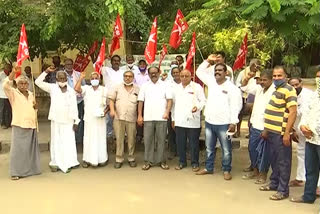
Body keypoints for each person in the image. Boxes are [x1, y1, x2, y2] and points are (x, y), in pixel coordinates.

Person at [195, 55, 242, 180]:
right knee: (209, 147)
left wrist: (233, 122)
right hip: (210, 122)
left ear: (226, 73)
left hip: (224, 123)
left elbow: (236, 106)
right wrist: (208, 61)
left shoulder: (232, 88)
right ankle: (209, 168)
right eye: (216, 70)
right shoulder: (211, 82)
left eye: (220, 70)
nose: (217, 72)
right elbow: (199, 72)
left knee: (226, 149)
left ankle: (226, 170)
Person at [259, 66, 297, 201]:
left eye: (279, 76)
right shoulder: (277, 90)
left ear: (286, 76)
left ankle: (283, 190)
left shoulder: (289, 90)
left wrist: (287, 133)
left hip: (281, 133)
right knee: (274, 160)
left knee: (283, 162)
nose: (276, 78)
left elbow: (293, 112)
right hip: (272, 132)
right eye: (274, 76)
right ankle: (274, 184)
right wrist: (267, 129)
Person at [35, 68, 80, 173]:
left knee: (69, 142)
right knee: (57, 141)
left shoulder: (71, 91)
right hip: (56, 120)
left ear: (66, 79)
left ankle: (71, 162)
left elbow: (74, 107)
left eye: (64, 78)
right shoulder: (52, 88)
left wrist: (76, 121)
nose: (62, 80)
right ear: (56, 79)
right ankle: (55, 162)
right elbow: (37, 82)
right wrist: (46, 72)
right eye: (60, 78)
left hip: (69, 121)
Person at [3, 67, 40, 180]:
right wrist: (13, 72)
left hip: (31, 124)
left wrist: (35, 108)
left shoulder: (30, 93)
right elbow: (5, 85)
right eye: (21, 83)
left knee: (30, 150)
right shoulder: (13, 93)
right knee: (18, 150)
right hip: (19, 124)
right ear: (17, 85)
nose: (23, 85)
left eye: (25, 83)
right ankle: (16, 172)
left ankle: (31, 170)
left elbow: (33, 108)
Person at [290, 70, 320, 204]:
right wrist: (302, 127)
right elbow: (306, 114)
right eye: (317, 77)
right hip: (311, 139)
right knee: (311, 169)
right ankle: (308, 196)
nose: (318, 79)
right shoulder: (315, 96)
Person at [240, 69, 275, 184]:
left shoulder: (275, 91)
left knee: (264, 153)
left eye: (265, 80)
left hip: (266, 127)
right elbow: (244, 87)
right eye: (261, 80)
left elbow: (273, 112)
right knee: (252, 149)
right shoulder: (259, 88)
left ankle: (263, 174)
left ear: (271, 80)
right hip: (255, 124)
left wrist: (267, 129)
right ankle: (255, 170)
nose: (262, 82)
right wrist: (247, 77)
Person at [137, 66, 173, 170]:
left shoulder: (165, 85)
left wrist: (167, 112)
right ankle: (148, 161)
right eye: (151, 73)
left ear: (159, 72)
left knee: (161, 140)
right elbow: (140, 101)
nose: (153, 74)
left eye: (155, 72)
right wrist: (140, 115)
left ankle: (161, 161)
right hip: (148, 117)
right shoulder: (144, 86)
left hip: (162, 117)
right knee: (148, 140)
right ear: (148, 74)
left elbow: (169, 100)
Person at [172, 69, 206, 171]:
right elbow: (173, 105)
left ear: (191, 76)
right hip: (179, 120)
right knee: (180, 143)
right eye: (182, 76)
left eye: (186, 76)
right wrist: (173, 119)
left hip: (193, 120)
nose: (184, 78)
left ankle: (195, 163)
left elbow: (203, 100)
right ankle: (182, 162)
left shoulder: (197, 87)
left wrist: (198, 107)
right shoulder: (176, 88)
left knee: (193, 143)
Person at [74, 71, 109, 168]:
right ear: (90, 80)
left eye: (96, 78)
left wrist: (104, 113)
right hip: (89, 119)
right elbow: (77, 89)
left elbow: (109, 104)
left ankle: (102, 159)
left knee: (100, 138)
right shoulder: (86, 89)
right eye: (92, 78)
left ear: (99, 79)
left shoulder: (104, 90)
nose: (94, 80)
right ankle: (87, 159)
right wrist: (81, 78)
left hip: (100, 119)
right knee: (88, 139)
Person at [109, 71, 140, 169]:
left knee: (131, 139)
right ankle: (119, 159)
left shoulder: (137, 89)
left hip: (131, 118)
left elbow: (140, 103)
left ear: (133, 78)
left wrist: (139, 115)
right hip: (119, 117)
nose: (127, 78)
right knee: (119, 139)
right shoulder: (117, 87)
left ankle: (131, 158)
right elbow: (111, 100)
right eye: (126, 76)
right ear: (123, 77)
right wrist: (112, 111)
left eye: (130, 76)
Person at [288, 78, 313, 187]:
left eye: (296, 84)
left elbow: (304, 112)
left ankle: (316, 185)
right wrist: (292, 130)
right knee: (301, 152)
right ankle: (300, 178)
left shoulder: (309, 95)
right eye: (292, 85)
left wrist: (292, 111)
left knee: (314, 156)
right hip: (298, 130)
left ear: (301, 84)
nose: (295, 87)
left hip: (310, 130)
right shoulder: (290, 95)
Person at [235, 59, 261, 138]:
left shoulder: (259, 74)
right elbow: (237, 83)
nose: (257, 68)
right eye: (256, 66)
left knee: (252, 114)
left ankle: (250, 132)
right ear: (252, 65)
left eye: (258, 66)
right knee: (240, 114)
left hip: (254, 95)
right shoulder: (242, 73)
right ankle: (238, 131)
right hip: (242, 95)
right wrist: (242, 86)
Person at [101, 55, 124, 143]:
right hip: (108, 98)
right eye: (114, 60)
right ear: (111, 62)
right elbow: (97, 65)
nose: (116, 62)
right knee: (109, 119)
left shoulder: (123, 72)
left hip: (120, 99)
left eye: (118, 60)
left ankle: (119, 138)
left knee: (120, 118)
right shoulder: (106, 70)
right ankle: (109, 137)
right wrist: (104, 57)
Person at [64, 58, 85, 144]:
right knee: (68, 120)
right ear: (65, 66)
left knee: (79, 120)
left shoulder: (78, 74)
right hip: (66, 102)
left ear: (73, 65)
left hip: (78, 101)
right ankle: (69, 139)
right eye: (67, 64)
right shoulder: (61, 75)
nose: (69, 66)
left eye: (70, 64)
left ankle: (78, 140)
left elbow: (83, 87)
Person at [167, 67, 181, 159]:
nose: (176, 74)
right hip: (171, 110)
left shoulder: (184, 84)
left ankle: (181, 151)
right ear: (171, 74)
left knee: (181, 132)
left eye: (177, 72)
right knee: (171, 132)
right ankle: (172, 151)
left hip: (182, 112)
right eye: (174, 73)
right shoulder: (168, 84)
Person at [134, 59, 150, 144]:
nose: (142, 65)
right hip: (138, 99)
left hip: (148, 99)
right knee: (139, 116)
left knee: (147, 117)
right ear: (138, 65)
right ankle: (139, 135)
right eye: (141, 64)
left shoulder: (149, 75)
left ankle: (146, 136)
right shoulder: (135, 75)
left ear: (146, 65)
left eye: (144, 64)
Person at [0, 63, 13, 129]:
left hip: (9, 95)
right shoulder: (1, 74)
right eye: (7, 68)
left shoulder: (11, 75)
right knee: (3, 110)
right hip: (2, 95)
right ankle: (3, 124)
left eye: (9, 68)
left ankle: (9, 123)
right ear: (5, 68)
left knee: (9, 110)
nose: (8, 69)